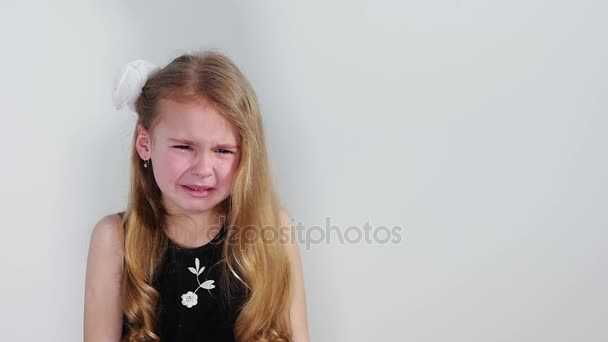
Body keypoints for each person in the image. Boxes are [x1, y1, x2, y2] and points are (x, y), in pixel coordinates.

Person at [84, 50, 310, 342]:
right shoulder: (113, 238)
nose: (203, 169)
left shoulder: (273, 229)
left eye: (223, 150)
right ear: (145, 143)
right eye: (184, 147)